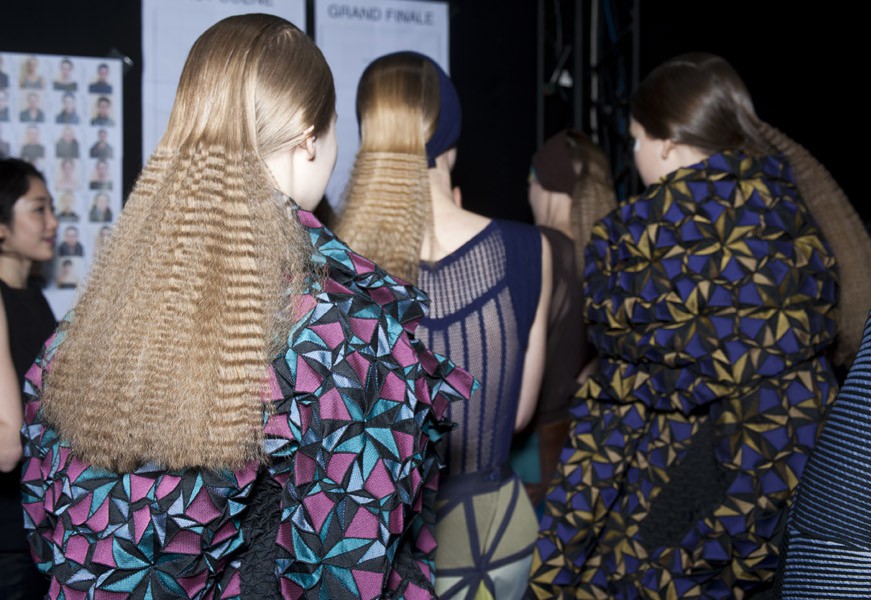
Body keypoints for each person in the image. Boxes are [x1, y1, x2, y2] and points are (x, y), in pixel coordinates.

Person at [20, 14, 475, 599]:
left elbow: (45, 513)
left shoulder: (102, 310)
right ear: (310, 135)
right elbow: (346, 568)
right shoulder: (335, 331)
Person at [529, 52, 871, 598]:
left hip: (660, 526)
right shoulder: (801, 223)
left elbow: (609, 432)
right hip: (790, 518)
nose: (635, 157)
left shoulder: (633, 245)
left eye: (636, 141)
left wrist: (553, 575)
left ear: (668, 142)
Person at [337, 51, 552, 599]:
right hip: (500, 535)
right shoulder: (529, 250)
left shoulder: (342, 265)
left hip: (389, 548)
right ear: (452, 131)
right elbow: (519, 414)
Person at [511, 129, 617, 509]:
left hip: (527, 452)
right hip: (579, 444)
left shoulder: (536, 251)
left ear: (545, 184)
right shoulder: (602, 257)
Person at [0, 158, 57, 600]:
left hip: (34, 529)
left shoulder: (35, 300)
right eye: (38, 209)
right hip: (8, 538)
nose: (52, 223)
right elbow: (8, 446)